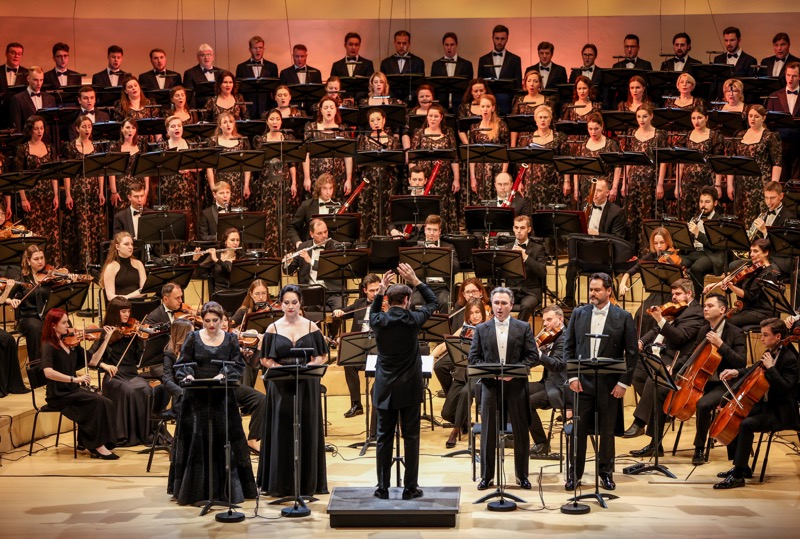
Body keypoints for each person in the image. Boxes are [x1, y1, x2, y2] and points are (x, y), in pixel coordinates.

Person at [170, 301, 257, 505]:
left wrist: (223, 374)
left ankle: (226, 490)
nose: (211, 324)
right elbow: (183, 363)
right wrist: (188, 375)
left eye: (215, 320)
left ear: (222, 320)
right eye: (207, 320)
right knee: (198, 439)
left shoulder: (230, 339)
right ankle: (196, 491)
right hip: (196, 396)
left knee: (223, 438)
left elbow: (237, 365)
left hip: (222, 395)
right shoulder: (193, 337)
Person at [563, 272, 638, 491]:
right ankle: (574, 475)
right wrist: (572, 376)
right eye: (591, 289)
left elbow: (632, 353)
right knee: (578, 431)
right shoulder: (578, 313)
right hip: (582, 382)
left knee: (606, 431)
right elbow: (568, 347)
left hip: (609, 385)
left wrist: (623, 383)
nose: (592, 294)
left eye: (597, 290)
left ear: (608, 291)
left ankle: (605, 473)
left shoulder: (623, 316)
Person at [370, 263, 437, 500]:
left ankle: (382, 487)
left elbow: (374, 310)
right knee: (411, 438)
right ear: (407, 301)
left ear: (388, 301)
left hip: (385, 388)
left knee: (383, 438)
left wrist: (380, 291)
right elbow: (434, 302)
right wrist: (416, 280)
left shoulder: (378, 320)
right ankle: (410, 488)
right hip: (409, 387)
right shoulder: (414, 319)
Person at [257, 284, 329, 497]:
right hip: (281, 382)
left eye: (294, 302)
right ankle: (281, 484)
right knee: (282, 428)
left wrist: (312, 365)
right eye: (286, 302)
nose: (290, 306)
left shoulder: (311, 326)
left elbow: (322, 355)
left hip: (307, 381)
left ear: (300, 304)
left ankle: (307, 484)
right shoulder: (273, 328)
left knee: (306, 426)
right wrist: (278, 367)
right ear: (280, 304)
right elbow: (265, 358)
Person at [714, 318, 799, 489]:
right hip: (766, 405)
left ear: (778, 336)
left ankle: (738, 477)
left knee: (746, 424)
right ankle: (742, 466)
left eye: (765, 335)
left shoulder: (790, 358)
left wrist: (771, 368)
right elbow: (754, 369)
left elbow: (786, 389)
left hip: (781, 412)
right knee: (735, 414)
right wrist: (735, 372)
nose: (761, 339)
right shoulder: (771, 351)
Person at [469, 286, 538, 491]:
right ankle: (487, 476)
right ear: (491, 305)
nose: (499, 307)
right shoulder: (481, 329)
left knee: (521, 431)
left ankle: (522, 475)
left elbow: (532, 356)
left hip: (516, 386)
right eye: (496, 303)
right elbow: (474, 358)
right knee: (488, 432)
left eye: (504, 303)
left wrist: (513, 372)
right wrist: (492, 372)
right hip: (490, 386)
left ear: (511, 305)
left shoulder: (523, 327)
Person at [625, 279, 705, 445]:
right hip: (663, 355)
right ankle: (662, 409)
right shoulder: (677, 309)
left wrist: (660, 319)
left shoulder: (696, 312)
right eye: (673, 294)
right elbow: (657, 329)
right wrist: (641, 341)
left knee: (653, 380)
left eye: (678, 294)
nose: (674, 297)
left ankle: (640, 423)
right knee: (635, 371)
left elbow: (680, 337)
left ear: (689, 293)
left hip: (679, 361)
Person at [671, 294, 746, 465]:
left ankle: (699, 448)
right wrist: (674, 368)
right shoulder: (704, 330)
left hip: (723, 383)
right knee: (665, 391)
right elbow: (692, 354)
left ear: (722, 309)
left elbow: (741, 362)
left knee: (703, 404)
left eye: (710, 306)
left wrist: (721, 345)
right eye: (705, 306)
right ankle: (655, 444)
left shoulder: (735, 333)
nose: (705, 309)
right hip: (701, 381)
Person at [39, 308, 118, 459]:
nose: (68, 326)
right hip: (59, 395)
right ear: (53, 325)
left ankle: (93, 442)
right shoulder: (48, 346)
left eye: (67, 322)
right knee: (97, 402)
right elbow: (48, 372)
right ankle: (97, 446)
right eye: (64, 323)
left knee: (106, 402)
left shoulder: (72, 344)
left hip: (72, 390)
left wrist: (106, 339)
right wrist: (74, 379)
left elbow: (93, 361)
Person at [89, 296, 151, 447]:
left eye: (128, 311)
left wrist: (141, 341)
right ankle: (126, 434)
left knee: (146, 388)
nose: (127, 315)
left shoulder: (132, 332)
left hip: (131, 373)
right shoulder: (105, 333)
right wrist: (105, 365)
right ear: (114, 313)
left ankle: (144, 433)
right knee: (129, 390)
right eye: (123, 311)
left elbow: (139, 359)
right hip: (114, 376)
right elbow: (91, 360)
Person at [562, 177, 626, 307]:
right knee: (572, 265)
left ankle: (608, 304)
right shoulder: (585, 207)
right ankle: (569, 301)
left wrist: (597, 234)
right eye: (594, 190)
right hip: (584, 255)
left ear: (607, 193)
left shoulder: (616, 212)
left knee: (606, 272)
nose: (595, 194)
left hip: (604, 258)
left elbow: (618, 238)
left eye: (599, 191)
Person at [436, 297, 486, 448]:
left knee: (465, 393)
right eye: (471, 313)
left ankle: (456, 430)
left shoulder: (489, 328)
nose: (475, 316)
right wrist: (429, 359)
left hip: (478, 374)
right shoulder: (465, 329)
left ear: (483, 313)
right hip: (461, 374)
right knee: (446, 414)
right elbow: (444, 346)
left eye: (477, 312)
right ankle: (464, 423)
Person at [332, 273, 382, 418]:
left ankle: (378, 404)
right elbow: (342, 314)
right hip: (361, 349)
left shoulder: (386, 305)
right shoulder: (359, 304)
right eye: (371, 290)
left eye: (378, 290)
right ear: (365, 290)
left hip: (379, 350)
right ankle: (356, 404)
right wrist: (338, 312)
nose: (375, 293)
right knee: (348, 364)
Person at [704, 238, 782, 329]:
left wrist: (731, 286)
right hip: (747, 309)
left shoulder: (768, 274)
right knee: (713, 319)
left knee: (725, 323)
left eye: (755, 251)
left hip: (761, 312)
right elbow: (735, 282)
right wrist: (715, 284)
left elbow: (749, 295)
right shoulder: (752, 269)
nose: (751, 254)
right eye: (751, 251)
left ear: (766, 253)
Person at [724, 105, 782, 225]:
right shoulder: (739, 135)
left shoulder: (770, 136)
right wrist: (729, 184)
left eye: (756, 116)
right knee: (740, 219)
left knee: (758, 219)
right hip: (741, 185)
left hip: (760, 185)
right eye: (750, 116)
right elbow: (732, 161)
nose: (753, 119)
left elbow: (776, 162)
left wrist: (773, 187)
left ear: (763, 118)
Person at [61, 115, 106, 269]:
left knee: (94, 226)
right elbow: (67, 173)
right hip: (78, 191)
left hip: (93, 191)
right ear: (77, 128)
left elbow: (100, 171)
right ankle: (81, 264)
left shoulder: (97, 147)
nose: (87, 130)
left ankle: (96, 263)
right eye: (84, 126)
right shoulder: (70, 147)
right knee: (80, 227)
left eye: (89, 126)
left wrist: (101, 191)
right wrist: (68, 194)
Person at [254, 109, 300, 256]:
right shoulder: (260, 140)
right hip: (267, 183)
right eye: (272, 119)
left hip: (284, 183)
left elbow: (292, 164)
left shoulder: (287, 138)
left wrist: (294, 183)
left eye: (278, 119)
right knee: (269, 218)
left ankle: (286, 253)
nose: (275, 122)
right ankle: (270, 253)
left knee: (285, 216)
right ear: (267, 122)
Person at [623, 103, 667, 254]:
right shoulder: (632, 134)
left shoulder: (659, 134)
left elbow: (663, 161)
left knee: (648, 215)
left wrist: (660, 184)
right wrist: (625, 181)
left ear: (651, 116)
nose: (641, 119)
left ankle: (648, 251)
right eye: (639, 116)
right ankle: (631, 251)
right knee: (632, 215)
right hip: (633, 180)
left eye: (645, 116)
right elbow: (628, 159)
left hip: (650, 180)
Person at [13, 115, 59, 262]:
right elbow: (19, 176)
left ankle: (52, 264)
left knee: (52, 232)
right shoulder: (23, 149)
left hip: (47, 194)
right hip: (31, 195)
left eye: (42, 128)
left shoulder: (49, 148)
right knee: (35, 233)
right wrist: (23, 198)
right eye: (36, 129)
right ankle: (34, 264)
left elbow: (54, 174)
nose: (40, 132)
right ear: (30, 130)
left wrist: (56, 195)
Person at [285, 218, 346, 327]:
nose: (324, 236)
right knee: (309, 317)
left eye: (325, 232)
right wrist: (287, 263)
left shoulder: (336, 246)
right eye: (319, 233)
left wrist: (311, 261)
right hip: (312, 291)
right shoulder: (303, 246)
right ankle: (316, 335)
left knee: (339, 313)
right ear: (311, 234)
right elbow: (289, 270)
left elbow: (332, 268)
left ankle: (333, 334)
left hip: (332, 291)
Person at [409, 104, 460, 230]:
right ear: (426, 117)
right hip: (424, 179)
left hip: (443, 179)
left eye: (436, 116)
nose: (432, 119)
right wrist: (413, 177)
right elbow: (412, 158)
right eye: (430, 116)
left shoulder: (448, 133)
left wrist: (456, 179)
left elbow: (454, 158)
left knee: (442, 207)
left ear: (441, 117)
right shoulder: (419, 133)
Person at [528, 305, 567, 458]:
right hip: (547, 383)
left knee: (526, 403)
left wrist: (539, 354)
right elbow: (538, 361)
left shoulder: (564, 338)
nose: (545, 324)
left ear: (560, 319)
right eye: (544, 320)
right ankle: (511, 435)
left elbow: (556, 365)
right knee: (516, 389)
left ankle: (542, 444)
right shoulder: (551, 337)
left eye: (549, 320)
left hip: (559, 387)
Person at [356, 107, 401, 239]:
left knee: (386, 212)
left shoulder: (392, 141)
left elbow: (395, 163)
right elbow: (359, 163)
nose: (375, 123)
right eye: (372, 120)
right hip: (368, 183)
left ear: (384, 120)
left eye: (378, 119)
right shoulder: (364, 140)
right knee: (367, 212)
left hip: (387, 183)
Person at [677, 105, 725, 221]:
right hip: (688, 183)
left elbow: (718, 162)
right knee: (688, 217)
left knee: (706, 217)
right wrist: (678, 184)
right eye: (693, 118)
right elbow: (681, 163)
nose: (696, 121)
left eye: (699, 118)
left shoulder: (714, 136)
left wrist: (717, 185)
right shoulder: (687, 136)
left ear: (706, 118)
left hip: (707, 182)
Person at [516, 104, 567, 210]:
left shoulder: (559, 137)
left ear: (550, 119)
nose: (543, 120)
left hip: (554, 182)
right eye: (540, 117)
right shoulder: (527, 138)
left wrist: (566, 181)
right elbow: (521, 162)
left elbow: (565, 160)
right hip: (532, 183)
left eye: (545, 117)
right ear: (535, 120)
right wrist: (520, 181)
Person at [303, 96, 353, 198]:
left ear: (336, 110)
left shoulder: (342, 129)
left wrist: (348, 179)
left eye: (331, 107)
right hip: (316, 175)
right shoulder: (311, 128)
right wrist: (307, 177)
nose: (328, 110)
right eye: (325, 108)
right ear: (321, 110)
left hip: (338, 176)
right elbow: (306, 153)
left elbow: (347, 156)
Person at [743, 181, 796, 276]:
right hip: (763, 257)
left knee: (763, 272)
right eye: (766, 198)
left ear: (781, 196)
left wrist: (765, 231)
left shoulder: (789, 217)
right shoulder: (764, 214)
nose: (769, 202)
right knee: (734, 265)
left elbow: (784, 246)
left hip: (780, 260)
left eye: (772, 198)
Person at [409, 214, 459, 313]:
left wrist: (440, 253)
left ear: (440, 231)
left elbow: (456, 268)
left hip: (442, 287)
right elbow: (410, 271)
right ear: (425, 230)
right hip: (421, 286)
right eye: (429, 229)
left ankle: (443, 324)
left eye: (435, 230)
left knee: (445, 303)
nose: (431, 233)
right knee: (415, 303)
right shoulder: (416, 248)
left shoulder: (449, 247)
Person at [569, 113, 622, 204]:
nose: (593, 132)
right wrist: (576, 188)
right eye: (590, 129)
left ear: (602, 127)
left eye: (596, 129)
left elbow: (618, 166)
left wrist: (614, 188)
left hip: (604, 189)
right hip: (586, 188)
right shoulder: (582, 145)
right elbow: (576, 167)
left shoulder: (611, 144)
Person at [684, 187, 727, 296]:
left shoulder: (719, 221)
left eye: (707, 202)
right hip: (694, 252)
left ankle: (696, 301)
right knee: (674, 264)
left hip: (710, 255)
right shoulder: (695, 218)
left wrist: (698, 233)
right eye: (701, 202)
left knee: (696, 268)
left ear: (715, 203)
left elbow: (716, 245)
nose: (703, 205)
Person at [504, 215, 546, 323]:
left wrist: (525, 257)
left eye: (522, 228)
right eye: (516, 227)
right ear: (513, 229)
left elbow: (542, 272)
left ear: (529, 229)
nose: (519, 231)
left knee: (526, 306)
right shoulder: (506, 248)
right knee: (496, 302)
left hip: (531, 292)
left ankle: (518, 330)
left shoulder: (538, 249)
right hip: (511, 291)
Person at [205, 112, 251, 208]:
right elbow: (209, 167)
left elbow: (247, 166)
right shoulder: (213, 142)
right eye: (225, 122)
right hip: (220, 183)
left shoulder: (242, 141)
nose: (228, 125)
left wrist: (246, 185)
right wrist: (213, 188)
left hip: (237, 183)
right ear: (220, 125)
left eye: (230, 122)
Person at [468, 95, 509, 201]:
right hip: (480, 171)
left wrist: (503, 174)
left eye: (488, 106)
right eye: (483, 106)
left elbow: (506, 152)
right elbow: (472, 155)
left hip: (497, 169)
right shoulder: (474, 128)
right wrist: (473, 177)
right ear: (479, 108)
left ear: (493, 108)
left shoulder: (501, 126)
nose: (485, 109)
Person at [476, 25, 522, 115]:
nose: (499, 42)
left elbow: (518, 85)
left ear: (507, 39)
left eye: (502, 39)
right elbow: (480, 84)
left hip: (508, 102)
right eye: (497, 38)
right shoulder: (483, 60)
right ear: (492, 38)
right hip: (488, 103)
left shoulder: (515, 59)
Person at [766, 61, 800, 181]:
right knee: (781, 180)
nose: (790, 79)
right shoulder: (774, 96)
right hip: (780, 143)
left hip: (798, 143)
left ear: (799, 77)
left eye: (794, 76)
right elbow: (768, 121)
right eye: (788, 75)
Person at [288, 173, 338, 248]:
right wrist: (299, 243)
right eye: (325, 188)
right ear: (319, 188)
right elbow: (292, 227)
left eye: (330, 188)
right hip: (310, 249)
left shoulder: (339, 206)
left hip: (331, 250)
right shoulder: (307, 205)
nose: (328, 192)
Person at [235, 36, 279, 119]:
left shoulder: (272, 67)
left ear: (264, 49)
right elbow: (238, 92)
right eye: (255, 48)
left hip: (267, 109)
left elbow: (275, 91)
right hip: (247, 110)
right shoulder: (241, 67)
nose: (258, 50)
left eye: (260, 47)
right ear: (250, 49)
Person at [109, 119, 149, 206]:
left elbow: (145, 169)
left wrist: (146, 189)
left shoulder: (141, 145)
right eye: (127, 127)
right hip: (121, 188)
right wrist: (114, 191)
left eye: (133, 128)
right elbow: (111, 171)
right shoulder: (115, 147)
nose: (130, 130)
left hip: (138, 189)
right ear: (122, 129)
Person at [430, 32, 473, 112]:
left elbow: (469, 88)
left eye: (452, 45)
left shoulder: (466, 64)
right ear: (443, 45)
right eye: (446, 45)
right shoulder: (436, 64)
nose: (449, 48)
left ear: (456, 45)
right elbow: (433, 87)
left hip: (460, 104)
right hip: (441, 104)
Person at [100, 231, 146, 302]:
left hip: (138, 302)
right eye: (126, 244)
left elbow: (145, 289)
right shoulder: (111, 267)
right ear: (117, 247)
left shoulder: (138, 264)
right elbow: (110, 296)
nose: (130, 247)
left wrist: (127, 297)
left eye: (131, 244)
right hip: (120, 304)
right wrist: (125, 299)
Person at [379, 30, 425, 102]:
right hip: (391, 101)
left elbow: (419, 85)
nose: (401, 46)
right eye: (399, 43)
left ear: (409, 44)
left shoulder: (418, 62)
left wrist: (407, 101)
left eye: (404, 43)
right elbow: (383, 85)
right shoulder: (385, 63)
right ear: (394, 43)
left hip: (412, 101)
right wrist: (395, 100)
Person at [8, 66, 55, 133]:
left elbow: (53, 127)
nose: (39, 83)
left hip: (46, 139)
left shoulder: (50, 99)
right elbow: (16, 128)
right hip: (27, 138)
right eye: (35, 80)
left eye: (41, 80)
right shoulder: (17, 99)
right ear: (28, 79)